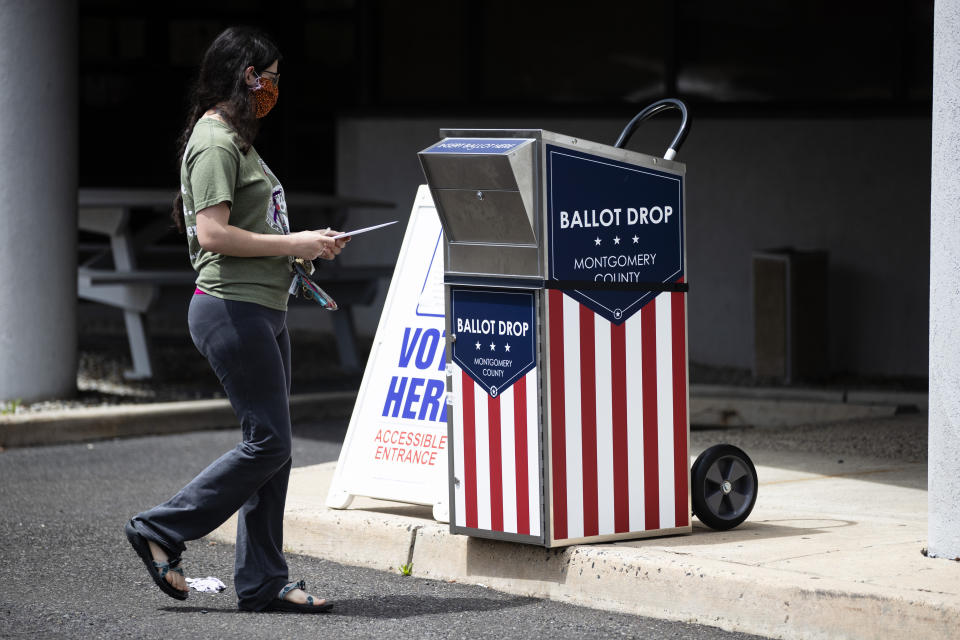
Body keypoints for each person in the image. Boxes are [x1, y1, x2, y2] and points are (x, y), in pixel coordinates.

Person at [124, 26, 347, 614]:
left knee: (273, 446)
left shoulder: (238, 142)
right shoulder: (216, 142)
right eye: (270, 77)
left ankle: (262, 581)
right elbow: (213, 233)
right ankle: (161, 529)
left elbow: (254, 227)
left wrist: (299, 250)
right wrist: (294, 240)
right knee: (269, 441)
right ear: (246, 76)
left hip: (261, 306)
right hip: (232, 307)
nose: (276, 89)